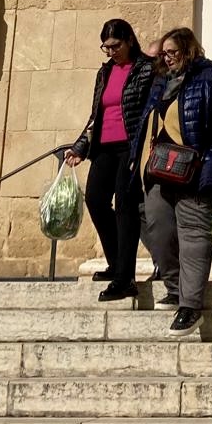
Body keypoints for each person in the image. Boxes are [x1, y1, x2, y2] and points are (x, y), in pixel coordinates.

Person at [134, 27, 212, 335]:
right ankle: (174, 287)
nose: (166, 59)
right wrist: (135, 161)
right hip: (160, 169)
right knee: (156, 225)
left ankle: (190, 306)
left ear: (188, 51)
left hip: (199, 169)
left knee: (194, 237)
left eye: (172, 53)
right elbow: (146, 124)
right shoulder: (161, 84)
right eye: (164, 54)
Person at [63, 18, 156, 301]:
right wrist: (80, 146)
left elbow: (148, 110)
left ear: (129, 40)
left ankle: (125, 278)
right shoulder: (104, 73)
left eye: (115, 46)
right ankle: (116, 263)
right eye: (106, 47)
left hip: (130, 145)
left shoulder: (146, 68)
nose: (111, 52)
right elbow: (96, 115)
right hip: (104, 146)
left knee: (126, 206)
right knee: (94, 198)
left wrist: (145, 148)